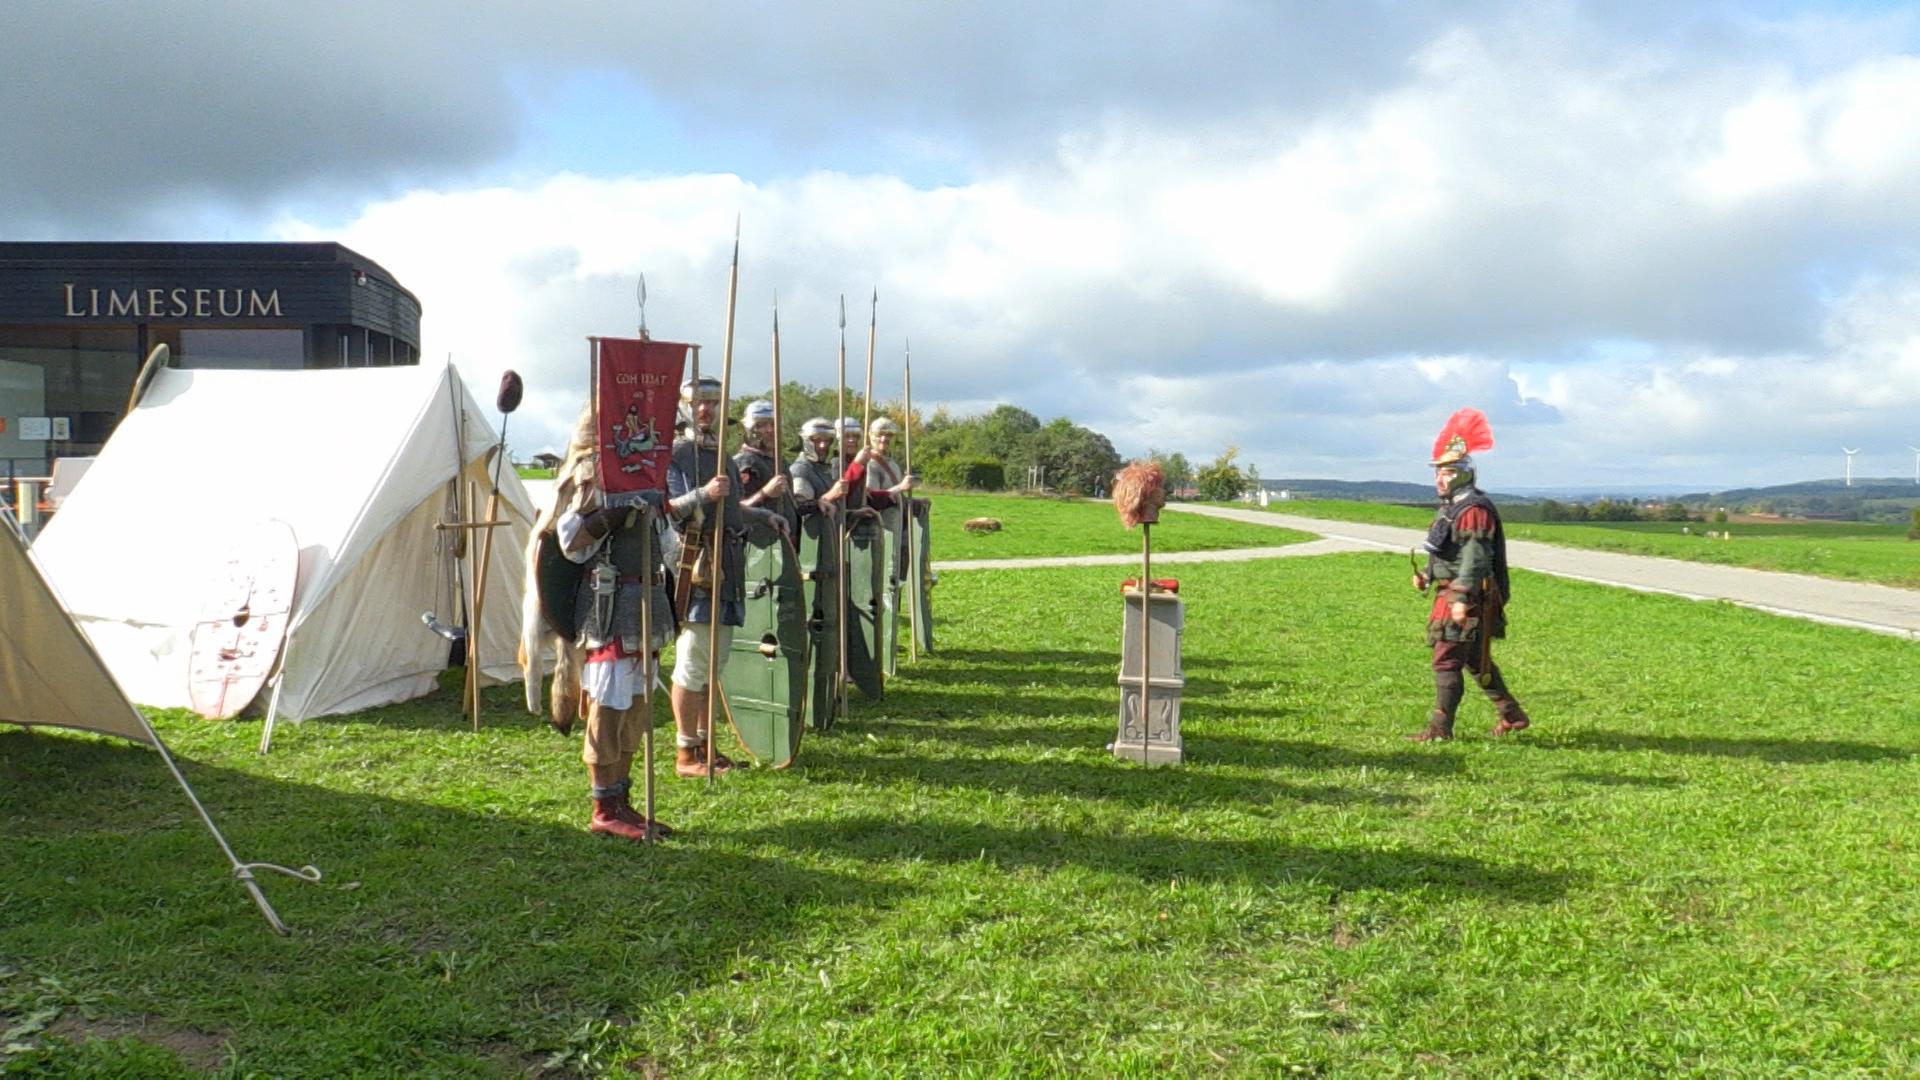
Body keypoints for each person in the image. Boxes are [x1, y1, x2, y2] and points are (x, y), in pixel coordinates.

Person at [547, 406, 676, 842]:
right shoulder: (591, 473)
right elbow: (568, 540)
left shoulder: (648, 474)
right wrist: (613, 514)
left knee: (635, 707)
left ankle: (622, 801)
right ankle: (603, 807)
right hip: (609, 603)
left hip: (646, 598)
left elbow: (663, 539)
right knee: (608, 706)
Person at [665, 378, 790, 776]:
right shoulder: (677, 454)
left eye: (713, 403)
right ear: (684, 406)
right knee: (694, 662)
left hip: (729, 566)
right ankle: (687, 753)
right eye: (699, 402)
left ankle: (707, 746)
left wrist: (763, 514)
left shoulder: (722, 455)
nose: (706, 410)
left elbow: (733, 509)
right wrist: (704, 493)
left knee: (715, 665)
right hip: (697, 568)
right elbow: (668, 509)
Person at [1409, 409, 1531, 741]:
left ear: (1464, 474)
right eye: (1437, 473)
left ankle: (1439, 730)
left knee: (1446, 657)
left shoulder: (1474, 509)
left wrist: (1461, 597)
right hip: (1453, 591)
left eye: (1447, 473)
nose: (1439, 479)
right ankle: (1513, 715)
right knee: (1476, 660)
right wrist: (1428, 574)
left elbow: (1476, 557)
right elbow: (1451, 549)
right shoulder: (1452, 507)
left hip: (1468, 595)